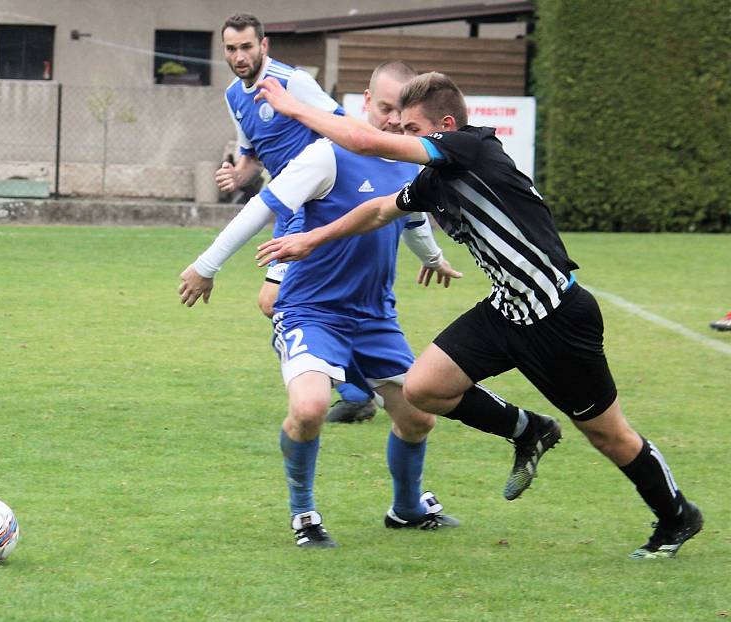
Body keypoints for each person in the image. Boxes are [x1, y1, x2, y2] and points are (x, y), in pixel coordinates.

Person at [254, 71, 703, 559]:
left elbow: (364, 140)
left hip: (558, 318)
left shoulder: (472, 147)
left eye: (411, 129)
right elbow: (381, 210)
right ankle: (530, 430)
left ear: (445, 125)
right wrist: (310, 240)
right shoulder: (434, 181)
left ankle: (676, 516)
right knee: (422, 389)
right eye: (399, 128)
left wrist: (293, 106)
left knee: (607, 436)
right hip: (505, 311)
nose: (401, 139)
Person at [179, 65, 465, 548]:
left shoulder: (412, 163)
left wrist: (434, 258)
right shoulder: (329, 154)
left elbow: (411, 219)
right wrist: (207, 265)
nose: (394, 122)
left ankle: (407, 508)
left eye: (403, 114)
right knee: (310, 408)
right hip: (312, 311)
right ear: (366, 101)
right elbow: (263, 206)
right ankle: (304, 514)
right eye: (385, 109)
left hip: (375, 317)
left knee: (418, 417)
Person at [215, 12, 375, 422]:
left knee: (275, 301)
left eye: (247, 46)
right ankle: (363, 384)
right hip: (285, 208)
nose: (239, 56)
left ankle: (358, 389)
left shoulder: (294, 82)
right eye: (231, 49)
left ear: (264, 45)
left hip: (317, 205)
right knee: (307, 302)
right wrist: (237, 176)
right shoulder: (235, 95)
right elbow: (252, 158)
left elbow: (343, 127)